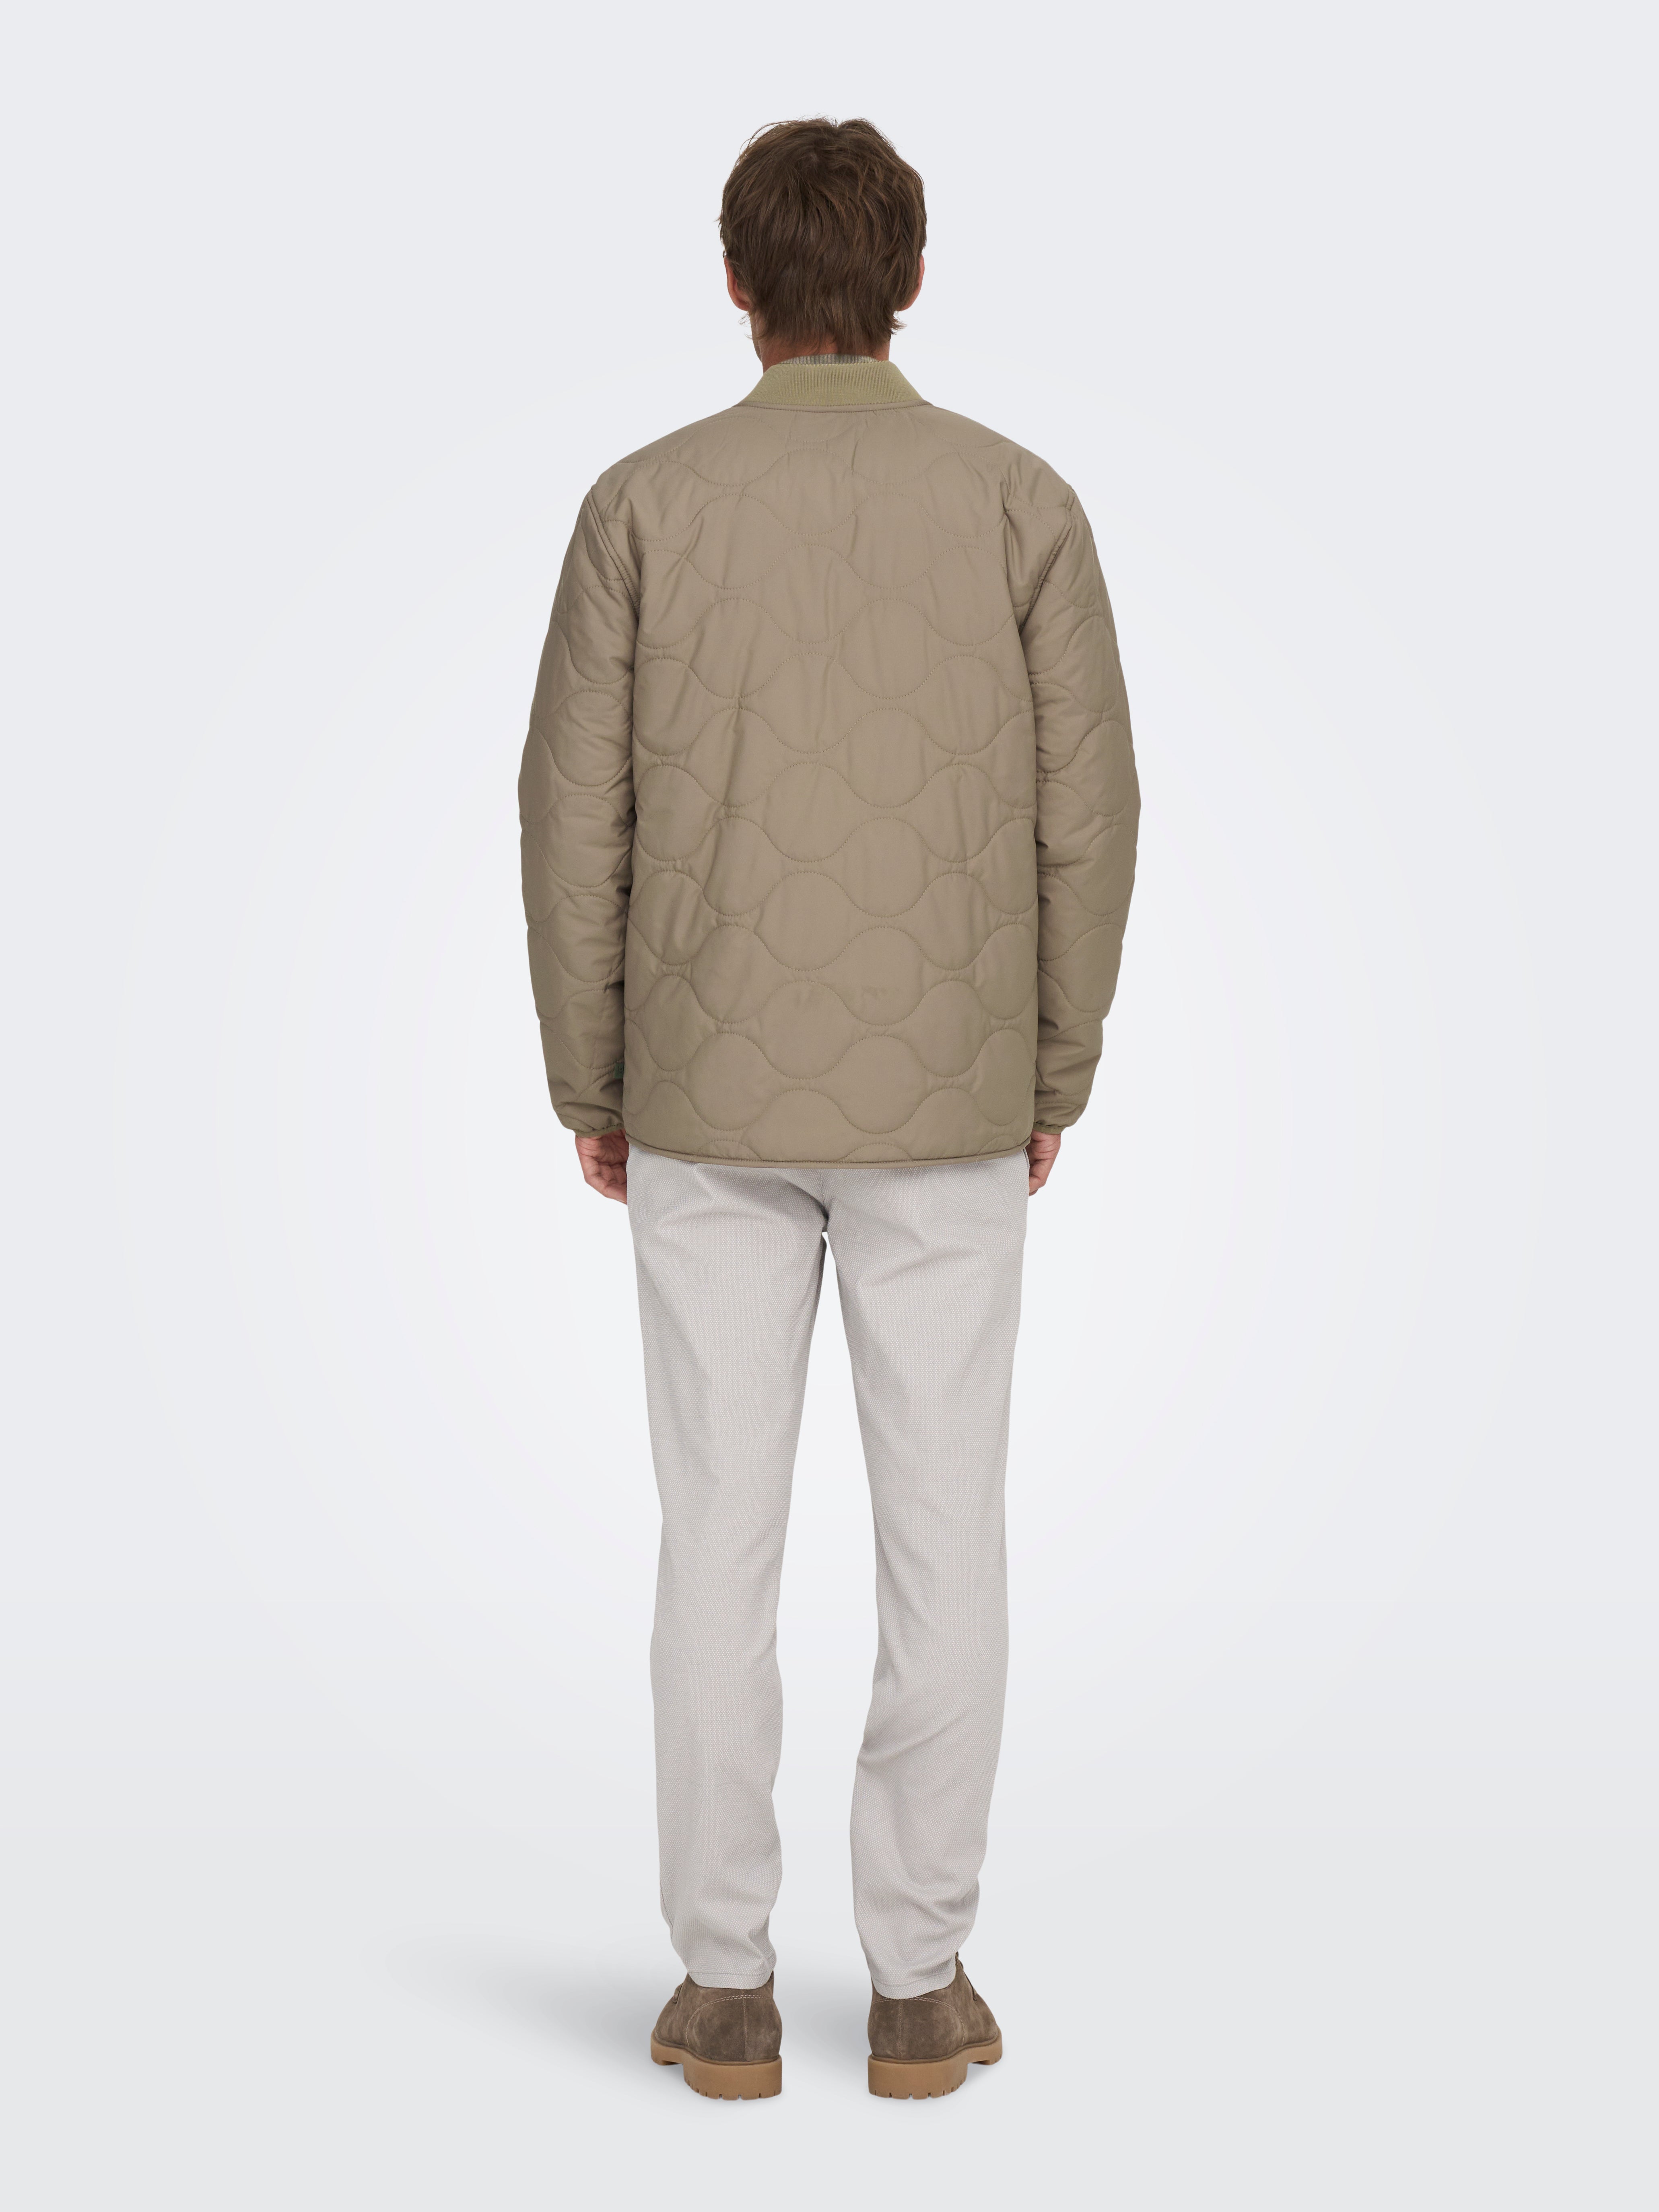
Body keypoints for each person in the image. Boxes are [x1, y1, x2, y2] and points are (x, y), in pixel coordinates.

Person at [518, 116, 1139, 2101]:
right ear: (910, 279)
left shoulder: (641, 504)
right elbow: (1090, 814)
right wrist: (1049, 1065)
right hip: (948, 1103)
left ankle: (722, 1989)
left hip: (704, 1100)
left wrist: (594, 1072)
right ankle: (918, 1985)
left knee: (714, 1538)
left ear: (736, 282)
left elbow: (567, 815)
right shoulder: (1020, 503)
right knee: (946, 1537)